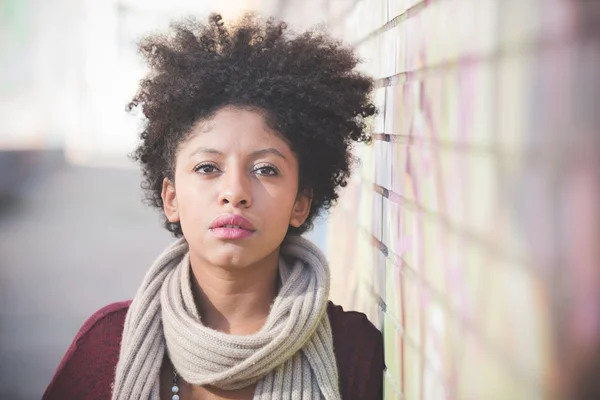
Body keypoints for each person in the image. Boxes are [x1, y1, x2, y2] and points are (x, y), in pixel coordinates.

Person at [43, 13, 383, 400]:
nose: (234, 192)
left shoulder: (351, 351)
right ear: (171, 198)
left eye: (266, 169)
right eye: (207, 167)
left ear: (300, 204)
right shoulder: (106, 346)